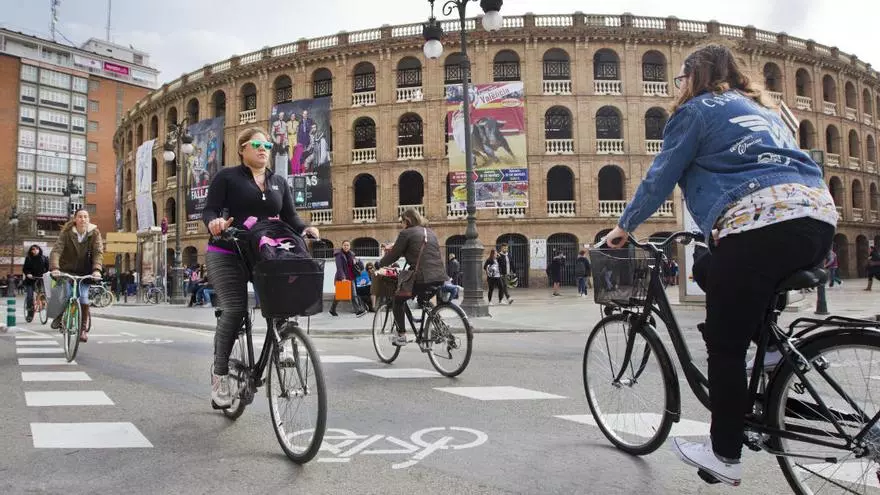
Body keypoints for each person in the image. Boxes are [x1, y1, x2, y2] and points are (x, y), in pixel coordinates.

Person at [603, 44, 836, 486]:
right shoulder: (761, 109)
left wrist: (624, 226)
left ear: (694, 76)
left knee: (725, 348)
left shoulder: (695, 111)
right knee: (709, 268)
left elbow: (661, 175)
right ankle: (770, 352)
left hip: (760, 225)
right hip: (817, 223)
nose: (679, 87)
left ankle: (724, 454)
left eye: (680, 79)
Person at [203, 126, 320, 410]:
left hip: (263, 252)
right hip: (228, 250)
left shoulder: (278, 181)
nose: (263, 150)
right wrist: (214, 223)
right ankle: (220, 376)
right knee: (234, 309)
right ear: (242, 148)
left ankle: (280, 342)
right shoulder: (227, 177)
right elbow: (210, 209)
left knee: (282, 300)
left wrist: (305, 229)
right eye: (257, 145)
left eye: (267, 146)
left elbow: (290, 216)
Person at [377, 208, 447, 346]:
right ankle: (441, 329)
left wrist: (379, 264)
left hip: (422, 277)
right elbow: (418, 250)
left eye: (402, 221)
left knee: (398, 300)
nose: (401, 224)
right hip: (440, 275)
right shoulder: (429, 232)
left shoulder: (406, 233)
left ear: (407, 220)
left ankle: (402, 336)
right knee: (423, 301)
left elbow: (394, 255)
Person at [48, 209, 104, 342]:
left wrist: (96, 270)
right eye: (80, 216)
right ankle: (60, 316)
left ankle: (82, 330)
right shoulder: (67, 233)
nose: (83, 219)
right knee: (67, 294)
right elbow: (56, 251)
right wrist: (55, 268)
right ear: (75, 219)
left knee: (83, 298)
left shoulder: (94, 233)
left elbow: (98, 252)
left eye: (85, 216)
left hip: (85, 272)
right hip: (67, 271)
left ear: (88, 219)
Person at [330, 240, 367, 317]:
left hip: (351, 277)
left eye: (347, 245)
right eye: (345, 245)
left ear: (350, 246)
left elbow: (357, 265)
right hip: (342, 277)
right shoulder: (339, 255)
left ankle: (358, 311)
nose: (346, 247)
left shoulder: (352, 254)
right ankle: (332, 309)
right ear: (342, 246)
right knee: (340, 295)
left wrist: (358, 262)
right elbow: (339, 268)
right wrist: (343, 278)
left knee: (353, 294)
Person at [22, 244, 49, 322]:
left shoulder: (44, 258)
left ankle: (43, 304)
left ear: (39, 249)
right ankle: (30, 314)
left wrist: (46, 274)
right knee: (30, 296)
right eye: (33, 249)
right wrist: (28, 274)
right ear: (31, 251)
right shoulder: (28, 258)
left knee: (44, 293)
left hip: (41, 279)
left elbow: (48, 269)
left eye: (36, 249)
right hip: (30, 280)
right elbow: (25, 269)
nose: (35, 250)